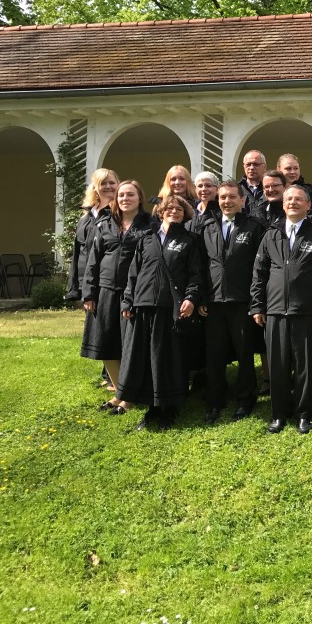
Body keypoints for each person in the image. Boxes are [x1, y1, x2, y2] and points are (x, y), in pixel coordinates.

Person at [251, 185, 312, 434]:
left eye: (298, 199)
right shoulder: (271, 235)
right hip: (275, 311)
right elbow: (259, 273)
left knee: (305, 367)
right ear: (283, 204)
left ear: (308, 205)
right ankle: (279, 414)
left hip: (308, 312)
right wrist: (257, 305)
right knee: (278, 367)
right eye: (288, 199)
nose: (292, 202)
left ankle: (304, 414)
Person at [117, 194, 205, 431]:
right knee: (147, 359)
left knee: (168, 359)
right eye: (169, 208)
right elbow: (133, 274)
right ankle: (152, 408)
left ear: (185, 214)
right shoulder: (147, 239)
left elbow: (196, 274)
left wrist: (191, 298)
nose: (174, 211)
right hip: (144, 305)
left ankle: (170, 408)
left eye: (179, 209)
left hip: (171, 308)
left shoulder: (190, 240)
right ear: (161, 212)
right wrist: (128, 301)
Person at [197, 180, 267, 424]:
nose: (227, 201)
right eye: (223, 197)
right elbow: (200, 265)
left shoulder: (254, 227)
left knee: (245, 352)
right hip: (214, 301)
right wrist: (201, 297)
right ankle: (215, 400)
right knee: (214, 354)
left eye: (232, 197)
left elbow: (260, 267)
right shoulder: (207, 227)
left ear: (242, 200)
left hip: (242, 300)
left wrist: (257, 300)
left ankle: (246, 399)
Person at [82, 180, 151, 412]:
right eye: (121, 195)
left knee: (129, 345)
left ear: (139, 198)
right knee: (106, 342)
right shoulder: (105, 224)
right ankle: (119, 392)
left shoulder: (150, 225)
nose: (125, 199)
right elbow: (93, 260)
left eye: (130, 194)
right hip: (105, 291)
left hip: (134, 292)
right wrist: (89, 293)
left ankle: (128, 397)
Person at [66, 168, 119, 303]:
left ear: (118, 185)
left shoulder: (119, 215)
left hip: (108, 283)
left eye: (112, 183)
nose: (108, 186)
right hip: (86, 282)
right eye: (103, 183)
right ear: (95, 188)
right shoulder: (85, 218)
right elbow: (78, 253)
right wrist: (74, 288)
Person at [277, 153, 312, 219]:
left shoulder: (308, 191)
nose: (293, 172)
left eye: (296, 168)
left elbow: (311, 217)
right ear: (278, 170)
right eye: (288, 168)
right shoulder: (273, 191)